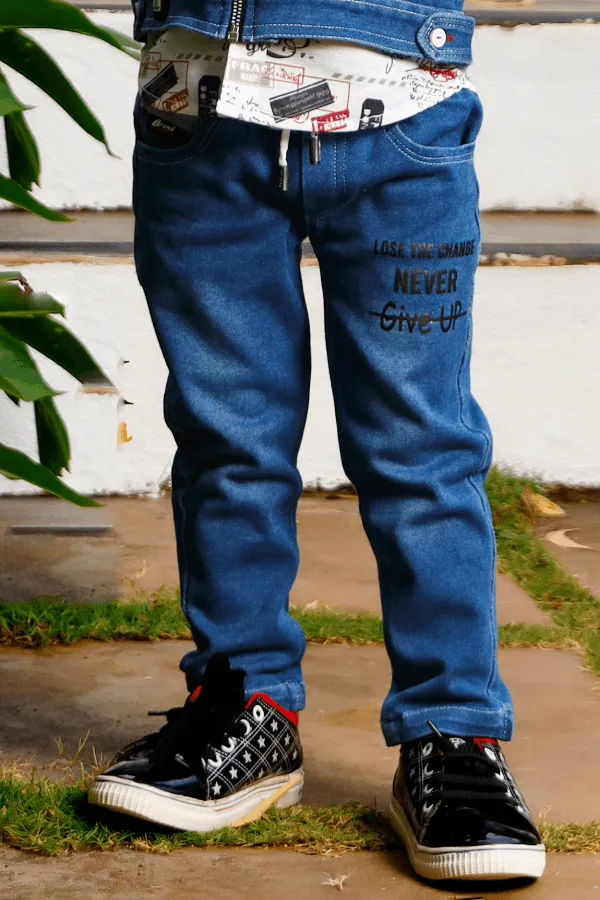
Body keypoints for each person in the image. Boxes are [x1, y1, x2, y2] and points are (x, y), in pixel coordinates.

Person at [89, 0, 546, 881]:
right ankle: (245, 705)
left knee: (422, 451)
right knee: (228, 439)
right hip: (200, 101)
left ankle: (455, 734)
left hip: (400, 105)